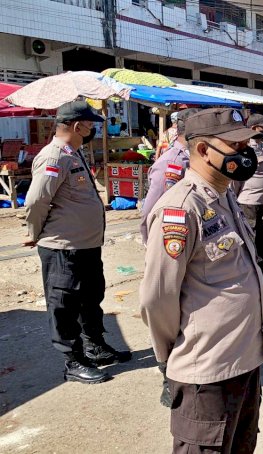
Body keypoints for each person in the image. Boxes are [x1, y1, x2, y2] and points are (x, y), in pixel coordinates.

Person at [140, 108, 263, 453]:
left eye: (246, 145)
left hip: (243, 359)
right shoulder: (180, 208)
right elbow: (157, 297)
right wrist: (172, 356)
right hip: (206, 370)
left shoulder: (225, 196)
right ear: (202, 151)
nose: (245, 155)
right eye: (234, 146)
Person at [25, 101, 131, 384]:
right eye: (91, 124)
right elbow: (37, 200)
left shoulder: (73, 153)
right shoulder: (54, 156)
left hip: (85, 245)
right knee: (64, 305)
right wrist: (34, 233)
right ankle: (72, 361)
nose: (93, 128)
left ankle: (95, 347)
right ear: (77, 126)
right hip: (63, 247)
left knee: (90, 300)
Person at [140, 108, 198, 244]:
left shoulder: (192, 157)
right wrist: (149, 241)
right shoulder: (172, 162)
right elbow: (151, 208)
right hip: (171, 236)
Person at [232, 114, 263, 284]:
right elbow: (237, 180)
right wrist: (236, 199)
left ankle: (261, 269)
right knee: (250, 238)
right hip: (249, 202)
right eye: (262, 127)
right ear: (252, 128)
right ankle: (248, 273)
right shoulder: (242, 148)